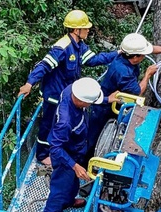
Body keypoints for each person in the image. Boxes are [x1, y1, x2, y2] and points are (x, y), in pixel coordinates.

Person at [18, 10, 115, 165]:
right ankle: (42, 155)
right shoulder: (62, 47)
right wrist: (29, 83)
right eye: (86, 28)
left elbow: (93, 60)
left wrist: (116, 54)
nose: (88, 30)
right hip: (54, 94)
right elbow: (44, 65)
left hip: (68, 93)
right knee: (49, 124)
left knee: (62, 123)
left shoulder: (79, 45)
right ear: (77, 30)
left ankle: (59, 150)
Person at [87, 32, 161, 151]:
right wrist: (147, 75)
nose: (144, 56)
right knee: (95, 140)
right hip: (105, 109)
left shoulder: (126, 54)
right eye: (142, 55)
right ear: (135, 57)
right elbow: (137, 92)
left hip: (113, 103)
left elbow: (151, 49)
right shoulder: (123, 72)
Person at [41, 77, 106, 212]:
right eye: (90, 103)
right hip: (65, 155)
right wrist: (74, 165)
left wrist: (107, 99)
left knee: (72, 181)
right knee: (60, 187)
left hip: (75, 148)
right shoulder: (65, 121)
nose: (90, 105)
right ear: (81, 101)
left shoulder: (72, 89)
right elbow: (56, 147)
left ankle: (69, 201)